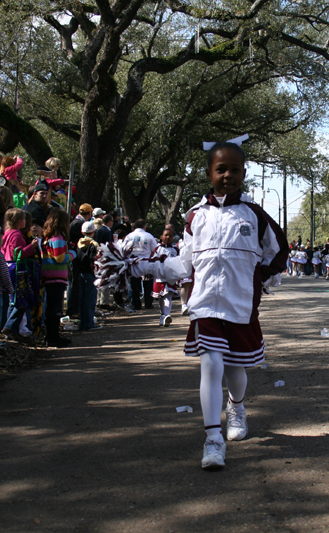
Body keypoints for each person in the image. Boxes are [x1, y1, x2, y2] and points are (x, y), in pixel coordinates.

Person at [134, 140, 286, 470]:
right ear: (209, 173)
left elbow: (279, 251)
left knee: (235, 369)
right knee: (211, 364)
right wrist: (149, 266)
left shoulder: (255, 214)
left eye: (234, 169)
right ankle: (213, 438)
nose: (227, 175)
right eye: (221, 169)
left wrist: (259, 276)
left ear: (244, 174)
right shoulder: (195, 216)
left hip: (241, 305)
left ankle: (237, 406)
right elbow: (184, 263)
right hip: (204, 306)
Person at [1, 208, 40, 340]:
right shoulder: (16, 235)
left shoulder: (7, 233)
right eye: (23, 219)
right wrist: (32, 246)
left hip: (8, 267)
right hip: (17, 269)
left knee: (13, 299)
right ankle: (10, 326)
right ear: (19, 221)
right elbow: (16, 254)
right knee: (21, 298)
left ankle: (12, 327)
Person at [41, 208, 76, 346]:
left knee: (51, 307)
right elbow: (59, 257)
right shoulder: (58, 238)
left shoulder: (47, 237)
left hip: (48, 275)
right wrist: (73, 254)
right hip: (56, 275)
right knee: (55, 309)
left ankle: (51, 336)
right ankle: (53, 337)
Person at [125, 219, 158, 310]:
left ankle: (136, 304)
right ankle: (148, 303)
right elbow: (155, 249)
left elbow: (124, 249)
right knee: (147, 284)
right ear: (144, 226)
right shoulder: (149, 236)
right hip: (146, 262)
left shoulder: (129, 236)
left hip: (133, 263)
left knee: (134, 285)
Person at [151, 227, 180, 327]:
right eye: (166, 235)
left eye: (170, 236)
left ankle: (167, 315)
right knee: (161, 297)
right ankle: (163, 315)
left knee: (168, 296)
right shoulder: (157, 249)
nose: (168, 237)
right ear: (161, 237)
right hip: (159, 277)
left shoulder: (175, 249)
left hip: (170, 277)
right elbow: (152, 260)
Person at [75, 221, 101, 331]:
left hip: (80, 273)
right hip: (90, 274)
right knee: (90, 300)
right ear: (93, 232)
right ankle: (89, 323)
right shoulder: (93, 244)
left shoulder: (79, 244)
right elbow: (94, 258)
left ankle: (82, 323)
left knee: (81, 300)